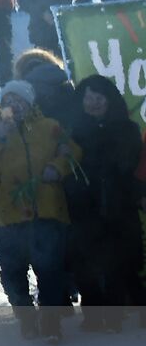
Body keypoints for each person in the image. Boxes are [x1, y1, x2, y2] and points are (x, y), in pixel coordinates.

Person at [0, 80, 79, 342]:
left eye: (19, 101)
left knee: (50, 267)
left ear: (29, 103)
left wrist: (58, 165)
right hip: (6, 213)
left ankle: (51, 321)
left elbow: (72, 151)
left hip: (45, 208)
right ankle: (26, 317)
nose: (14, 106)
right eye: (8, 100)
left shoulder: (49, 126)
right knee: (12, 269)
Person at [64, 76, 142, 332]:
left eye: (99, 98)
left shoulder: (126, 129)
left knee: (120, 259)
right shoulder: (72, 131)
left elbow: (127, 165)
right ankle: (94, 314)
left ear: (109, 100)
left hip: (118, 204)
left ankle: (117, 313)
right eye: (88, 98)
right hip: (83, 206)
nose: (93, 103)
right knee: (86, 259)